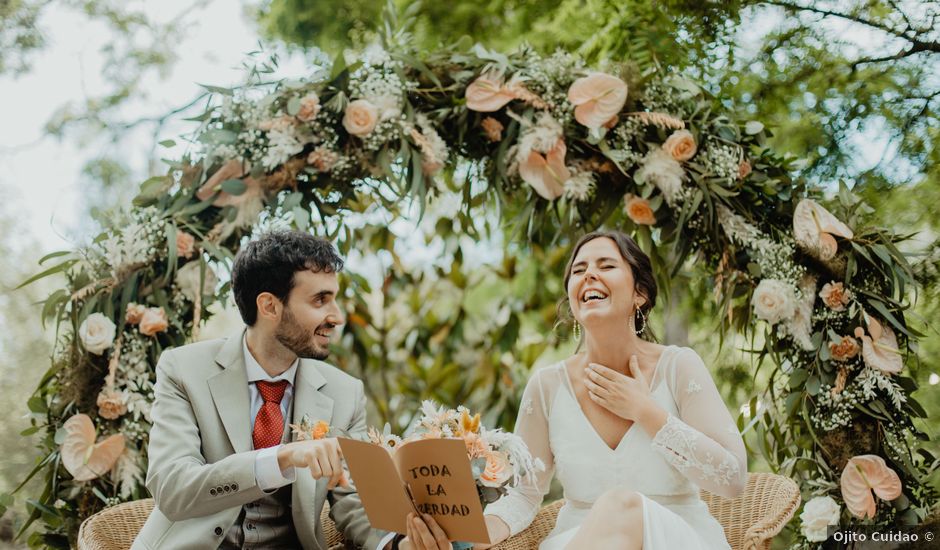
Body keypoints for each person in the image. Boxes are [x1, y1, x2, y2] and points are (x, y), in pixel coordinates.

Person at [134, 230, 450, 550]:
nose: (337, 317)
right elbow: (172, 488)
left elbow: (352, 501)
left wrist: (397, 545)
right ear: (269, 306)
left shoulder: (345, 393)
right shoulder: (183, 369)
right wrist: (281, 458)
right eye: (320, 300)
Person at [480, 231, 747, 550]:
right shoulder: (547, 386)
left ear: (640, 294)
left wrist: (645, 412)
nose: (589, 274)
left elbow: (732, 479)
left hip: (675, 538)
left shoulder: (678, 367)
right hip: (578, 540)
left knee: (622, 505)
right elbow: (522, 493)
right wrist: (482, 532)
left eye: (606, 266)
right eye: (579, 271)